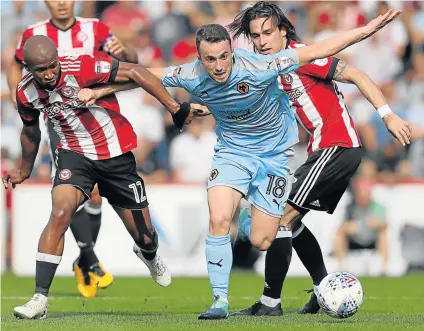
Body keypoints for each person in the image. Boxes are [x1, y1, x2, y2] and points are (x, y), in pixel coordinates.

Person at [81, 9, 403, 320]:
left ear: (233, 51)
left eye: (224, 56)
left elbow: (326, 50)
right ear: (200, 57)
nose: (219, 66)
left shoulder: (268, 64)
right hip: (233, 154)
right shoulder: (191, 73)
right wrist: (102, 90)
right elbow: (147, 76)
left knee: (267, 235)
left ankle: (268, 254)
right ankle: (223, 300)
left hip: (285, 155)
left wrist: (368, 30)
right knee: (223, 218)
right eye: (211, 59)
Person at [226, 1, 411, 316]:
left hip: (338, 146)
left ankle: (270, 304)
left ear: (284, 31)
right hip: (323, 151)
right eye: (256, 36)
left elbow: (355, 73)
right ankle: (323, 288)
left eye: (268, 32)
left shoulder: (304, 57)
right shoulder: (275, 67)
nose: (261, 41)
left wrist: (387, 115)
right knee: (292, 223)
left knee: (280, 216)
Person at [2, 35, 198, 320]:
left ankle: (149, 253)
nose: (48, 74)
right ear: (29, 69)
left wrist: (174, 108)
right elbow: (30, 132)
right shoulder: (25, 93)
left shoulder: (81, 66)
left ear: (58, 59)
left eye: (51, 66)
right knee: (60, 212)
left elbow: (136, 71)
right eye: (40, 70)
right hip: (74, 154)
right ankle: (39, 298)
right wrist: (24, 169)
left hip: (115, 155)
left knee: (146, 236)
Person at [6, 0, 139, 298]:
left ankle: (86, 259)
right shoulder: (33, 33)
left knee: (96, 197)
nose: (62, 3)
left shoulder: (96, 29)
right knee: (84, 191)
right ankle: (88, 258)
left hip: (97, 113)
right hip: (61, 121)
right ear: (46, 3)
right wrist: (18, 100)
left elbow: (132, 60)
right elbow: (15, 65)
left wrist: (126, 52)